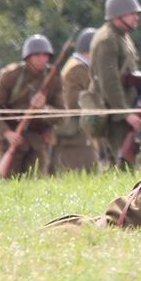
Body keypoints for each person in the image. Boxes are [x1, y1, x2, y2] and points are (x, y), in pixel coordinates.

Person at [81, 0, 141, 167]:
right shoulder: (107, 39)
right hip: (114, 113)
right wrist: (124, 112)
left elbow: (125, 74)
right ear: (117, 15)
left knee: (128, 162)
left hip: (125, 107)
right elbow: (109, 81)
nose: (136, 17)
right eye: (132, 13)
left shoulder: (122, 37)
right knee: (118, 162)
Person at [0, 34, 63, 177]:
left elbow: (62, 115)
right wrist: (7, 133)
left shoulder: (54, 78)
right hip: (11, 140)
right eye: (37, 54)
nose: (42, 58)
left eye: (45, 55)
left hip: (38, 141)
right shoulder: (11, 75)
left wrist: (45, 108)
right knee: (8, 187)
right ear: (28, 57)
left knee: (37, 186)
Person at [55, 27, 100, 173]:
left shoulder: (77, 66)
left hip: (79, 133)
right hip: (75, 135)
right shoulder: (78, 69)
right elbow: (75, 102)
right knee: (86, 173)